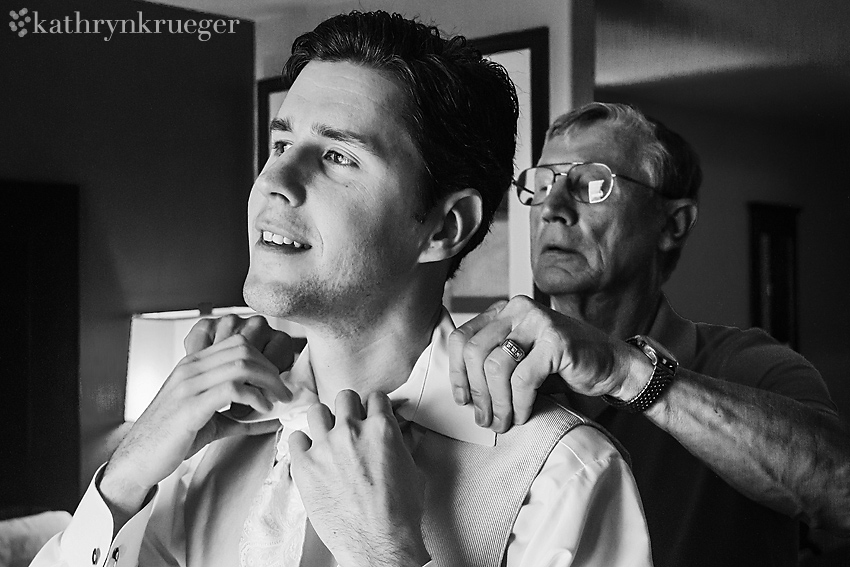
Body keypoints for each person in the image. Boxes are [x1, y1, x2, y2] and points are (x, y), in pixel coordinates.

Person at [31, 15, 653, 567]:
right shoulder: (196, 443)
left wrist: (386, 554)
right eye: (280, 144)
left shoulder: (563, 477)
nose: (275, 181)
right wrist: (125, 474)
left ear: (443, 226)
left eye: (337, 157)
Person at [448, 101, 850, 567]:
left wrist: (627, 372)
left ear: (671, 224)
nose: (552, 208)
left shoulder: (752, 366)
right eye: (543, 184)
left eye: (592, 184)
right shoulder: (487, 362)